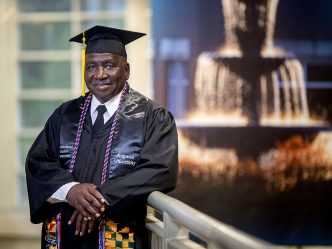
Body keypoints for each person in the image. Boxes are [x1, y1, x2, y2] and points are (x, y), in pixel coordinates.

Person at [25, 25, 178, 249]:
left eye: (109, 65)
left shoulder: (152, 116)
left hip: (118, 233)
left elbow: (159, 170)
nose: (99, 75)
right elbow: (38, 161)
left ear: (126, 70)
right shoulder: (65, 114)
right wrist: (70, 190)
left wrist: (100, 199)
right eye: (91, 67)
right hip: (65, 233)